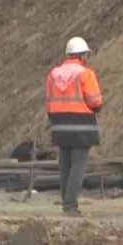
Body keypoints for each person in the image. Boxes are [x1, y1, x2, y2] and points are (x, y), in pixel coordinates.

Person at [44, 37, 104, 215]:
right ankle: (70, 205)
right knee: (78, 165)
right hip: (81, 126)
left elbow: (48, 102)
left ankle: (66, 201)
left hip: (59, 126)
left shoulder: (54, 74)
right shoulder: (85, 74)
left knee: (65, 165)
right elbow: (95, 101)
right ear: (82, 55)